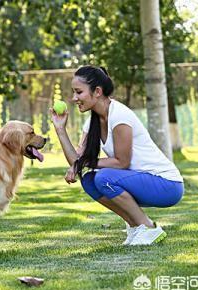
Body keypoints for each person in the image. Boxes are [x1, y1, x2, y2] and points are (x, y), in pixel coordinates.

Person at [50, 65, 184, 246]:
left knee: (104, 177)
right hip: (139, 182)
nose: (74, 98)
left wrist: (83, 163)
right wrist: (60, 129)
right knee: (89, 180)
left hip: (167, 185)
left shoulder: (119, 116)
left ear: (97, 91)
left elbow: (122, 162)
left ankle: (148, 227)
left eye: (78, 92)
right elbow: (77, 161)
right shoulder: (93, 122)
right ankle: (136, 226)